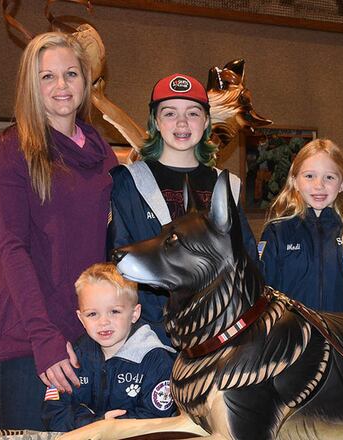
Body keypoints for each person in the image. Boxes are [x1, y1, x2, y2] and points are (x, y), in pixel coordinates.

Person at [0, 32, 117, 430]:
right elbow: (12, 249)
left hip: (90, 334)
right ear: (31, 84)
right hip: (29, 338)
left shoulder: (100, 150)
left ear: (86, 80)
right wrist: (44, 338)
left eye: (71, 73)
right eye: (47, 77)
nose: (61, 86)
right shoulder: (9, 149)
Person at [108, 73, 258, 345]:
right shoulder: (128, 182)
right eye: (169, 113)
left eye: (192, 113)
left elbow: (245, 263)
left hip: (216, 340)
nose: (181, 123)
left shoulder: (227, 186)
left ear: (207, 121)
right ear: (155, 121)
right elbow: (116, 265)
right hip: (148, 337)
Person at [43, 263, 176, 431]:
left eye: (114, 311)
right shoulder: (75, 357)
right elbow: (53, 413)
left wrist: (114, 428)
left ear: (134, 314)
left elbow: (157, 421)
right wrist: (96, 423)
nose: (103, 322)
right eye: (92, 314)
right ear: (81, 318)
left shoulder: (156, 361)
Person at [259, 139, 343, 311]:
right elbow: (264, 295)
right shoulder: (277, 233)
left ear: (342, 185)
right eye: (309, 176)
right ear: (295, 181)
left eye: (329, 177)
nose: (319, 185)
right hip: (291, 335)